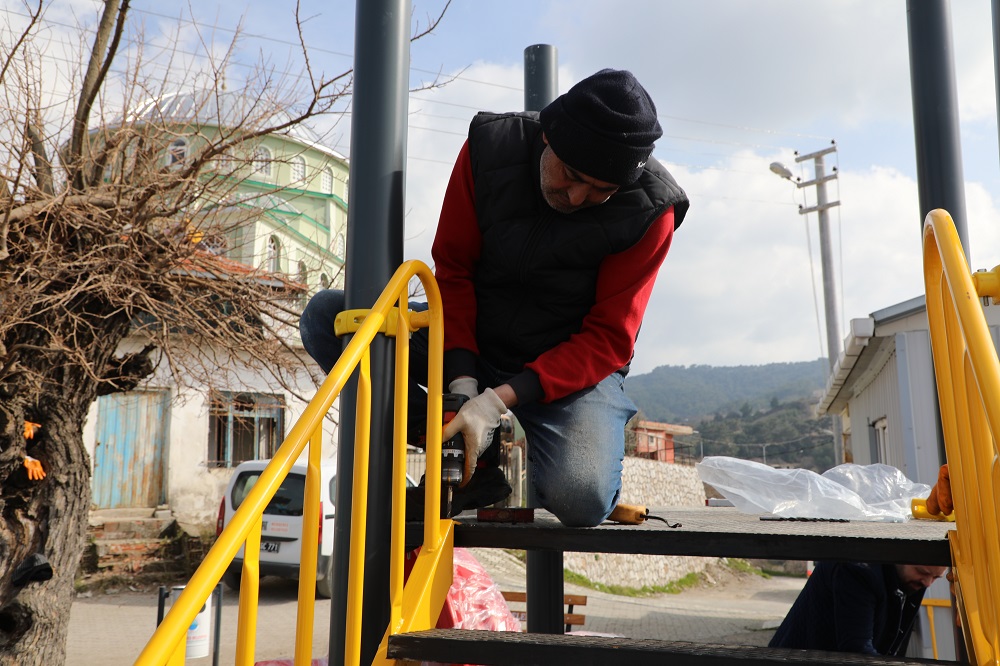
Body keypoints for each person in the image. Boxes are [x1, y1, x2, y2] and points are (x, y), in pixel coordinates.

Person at [300, 68, 689, 527]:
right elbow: (456, 268)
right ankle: (468, 457)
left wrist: (496, 401)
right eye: (571, 174)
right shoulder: (490, 149)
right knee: (329, 317)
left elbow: (607, 338)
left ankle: (508, 460)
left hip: (565, 366)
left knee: (582, 498)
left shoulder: (650, 211)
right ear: (548, 137)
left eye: (602, 191)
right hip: (474, 333)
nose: (579, 195)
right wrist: (464, 383)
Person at [768, 561, 947, 656]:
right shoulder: (859, 571)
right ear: (901, 555)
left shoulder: (912, 579)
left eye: (936, 578)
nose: (927, 583)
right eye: (922, 572)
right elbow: (856, 650)